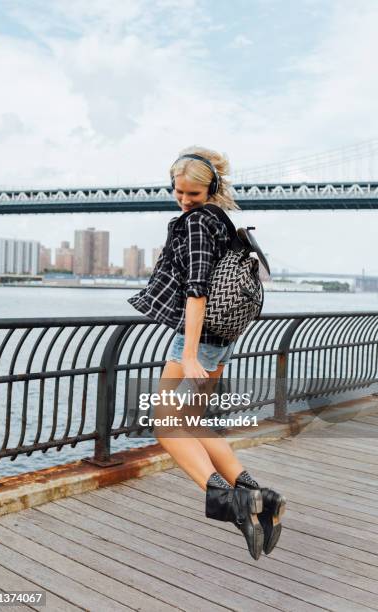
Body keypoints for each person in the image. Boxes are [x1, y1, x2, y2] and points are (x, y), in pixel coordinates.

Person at [128, 146, 285, 560]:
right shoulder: (223, 221)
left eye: (193, 194)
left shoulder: (196, 224)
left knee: (166, 425)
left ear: (210, 188)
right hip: (221, 339)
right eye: (178, 193)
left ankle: (231, 504)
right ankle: (260, 498)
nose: (184, 201)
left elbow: (196, 291)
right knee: (192, 423)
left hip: (196, 341)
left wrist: (191, 354)